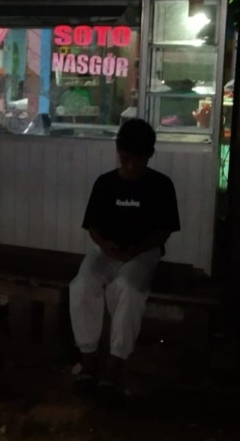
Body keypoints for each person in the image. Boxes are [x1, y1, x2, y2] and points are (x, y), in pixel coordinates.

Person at [69, 118, 180, 405]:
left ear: (150, 155)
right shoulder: (105, 184)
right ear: (119, 153)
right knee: (82, 285)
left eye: (138, 161)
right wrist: (106, 245)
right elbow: (92, 226)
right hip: (106, 249)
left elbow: (164, 230)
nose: (131, 167)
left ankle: (115, 363)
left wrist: (137, 249)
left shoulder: (161, 185)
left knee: (128, 288)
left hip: (142, 252)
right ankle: (88, 358)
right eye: (126, 159)